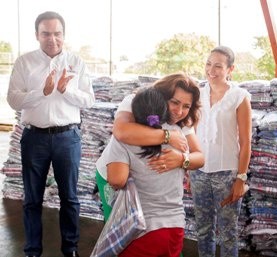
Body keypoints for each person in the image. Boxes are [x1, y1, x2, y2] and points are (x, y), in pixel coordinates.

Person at [7, 11, 95, 257]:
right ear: (37, 35)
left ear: (63, 35)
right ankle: (32, 250)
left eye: (57, 33)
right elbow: (13, 100)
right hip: (34, 138)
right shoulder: (25, 63)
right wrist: (41, 91)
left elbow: (89, 99)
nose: (52, 39)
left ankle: (71, 249)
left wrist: (65, 91)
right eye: (46, 33)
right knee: (32, 198)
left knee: (70, 197)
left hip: (68, 138)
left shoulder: (76, 63)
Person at [96, 75, 204, 257]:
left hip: (153, 208)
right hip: (114, 171)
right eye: (175, 102)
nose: (179, 111)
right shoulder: (136, 101)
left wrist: (182, 159)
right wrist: (167, 136)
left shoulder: (181, 123)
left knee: (132, 233)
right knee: (123, 225)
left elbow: (199, 157)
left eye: (186, 106)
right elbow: (121, 131)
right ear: (161, 97)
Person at [190, 46, 252, 257]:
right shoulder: (197, 94)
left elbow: (246, 142)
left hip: (227, 174)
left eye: (218, 66)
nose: (211, 70)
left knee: (228, 232)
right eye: (208, 64)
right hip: (199, 172)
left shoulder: (239, 96)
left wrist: (241, 179)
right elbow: (190, 131)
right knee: (203, 230)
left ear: (230, 69)